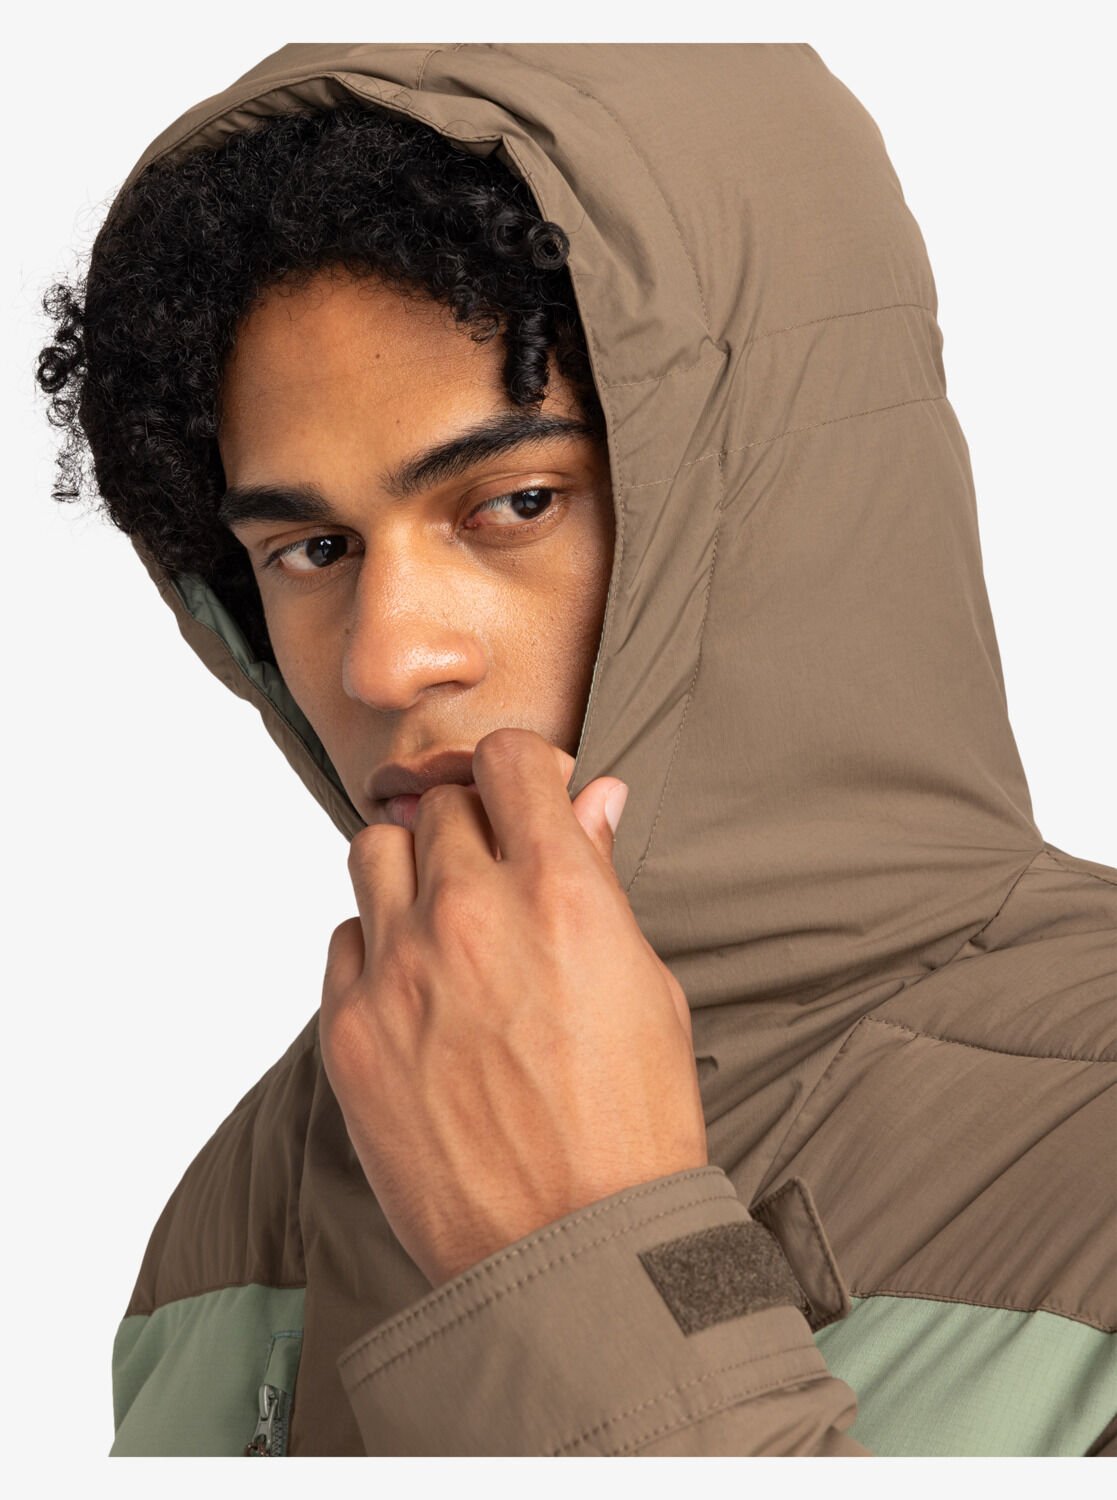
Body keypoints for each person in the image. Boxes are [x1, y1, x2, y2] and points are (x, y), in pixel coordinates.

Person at [35, 43, 1116, 1458]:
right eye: (312, 549)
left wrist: (573, 1257)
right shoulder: (252, 1193)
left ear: (772, 504)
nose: (381, 661)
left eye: (516, 502)